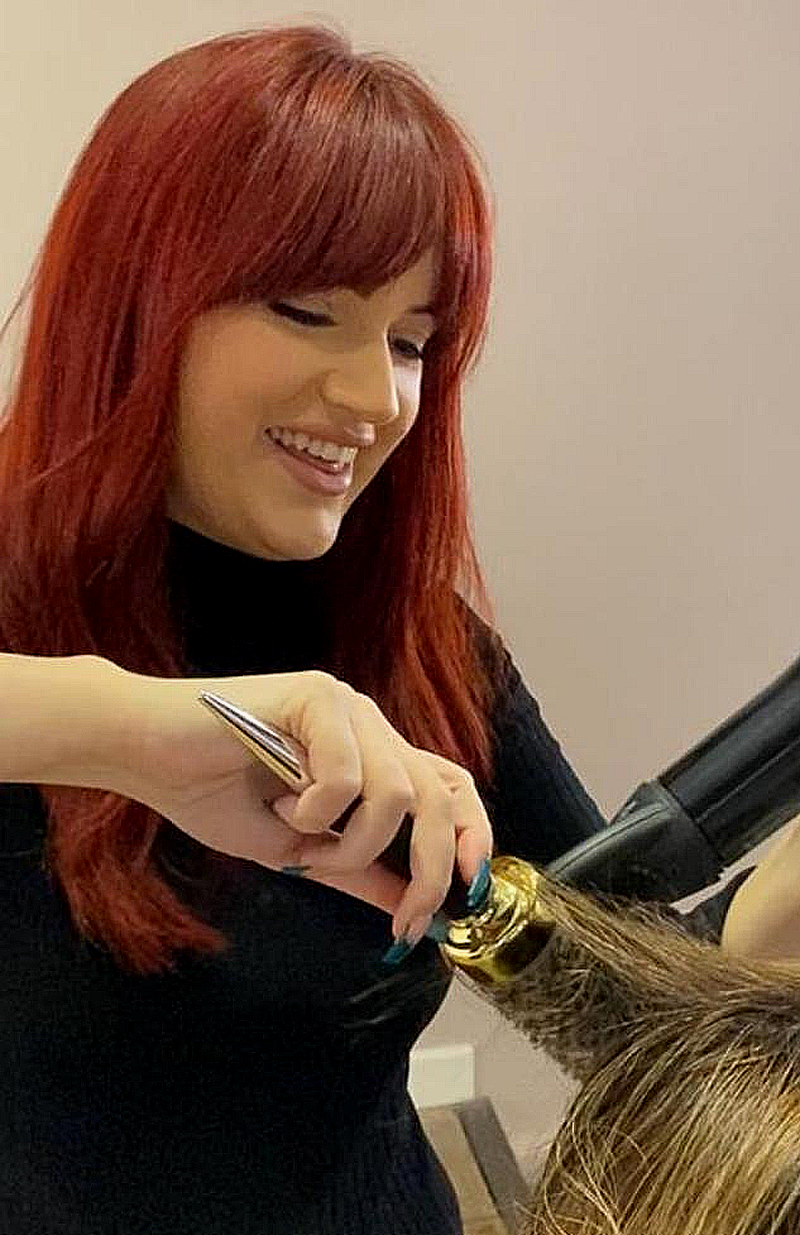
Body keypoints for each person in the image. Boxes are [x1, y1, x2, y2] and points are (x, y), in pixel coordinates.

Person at [0, 23, 762, 1235]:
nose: (378, 398)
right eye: (308, 311)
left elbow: (629, 990)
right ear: (133, 298)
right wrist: (131, 729)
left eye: (412, 341)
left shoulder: (412, 635)